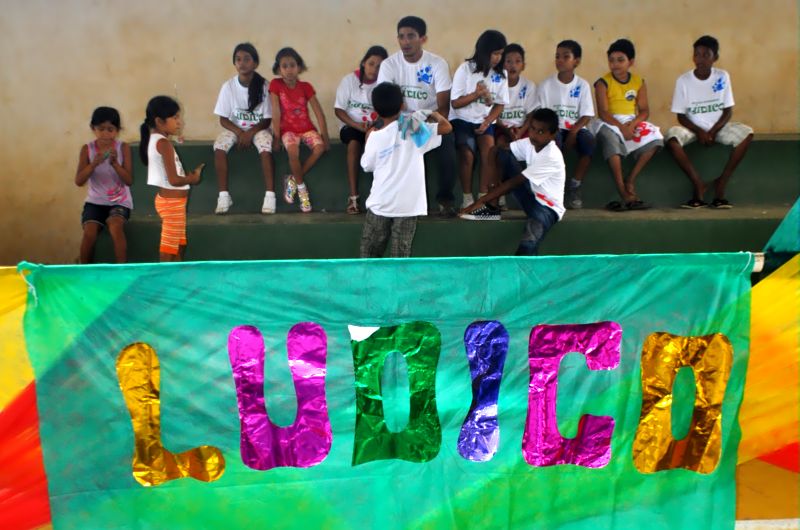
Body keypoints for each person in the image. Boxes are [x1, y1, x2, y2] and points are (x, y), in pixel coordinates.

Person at [359, 83, 452, 258]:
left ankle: (369, 277)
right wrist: (433, 114)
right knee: (400, 258)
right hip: (408, 206)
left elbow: (367, 165)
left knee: (369, 255)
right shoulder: (414, 130)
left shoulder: (374, 137)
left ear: (375, 109)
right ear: (402, 105)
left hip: (381, 203)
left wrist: (367, 139)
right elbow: (447, 127)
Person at [377, 15, 458, 217]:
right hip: (399, 121)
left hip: (430, 120)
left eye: (411, 36)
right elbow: (386, 103)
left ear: (423, 39)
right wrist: (407, 123)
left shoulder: (437, 64)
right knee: (381, 138)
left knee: (448, 143)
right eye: (401, 37)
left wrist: (425, 123)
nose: (405, 41)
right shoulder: (389, 65)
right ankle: (390, 200)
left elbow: (443, 106)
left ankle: (445, 199)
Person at [460, 108, 565, 256]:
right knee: (500, 153)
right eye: (532, 129)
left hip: (547, 208)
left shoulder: (551, 155)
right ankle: (492, 209)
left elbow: (514, 182)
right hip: (531, 197)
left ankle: (524, 266)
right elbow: (497, 150)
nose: (534, 134)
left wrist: (480, 201)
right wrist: (491, 193)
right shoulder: (529, 143)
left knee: (528, 244)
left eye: (541, 132)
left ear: (552, 135)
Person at [665, 35, 753, 209]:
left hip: (718, 127)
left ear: (715, 57)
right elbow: (681, 116)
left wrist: (713, 131)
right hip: (693, 129)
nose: (700, 59)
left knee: (747, 133)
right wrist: (699, 131)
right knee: (672, 138)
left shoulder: (722, 76)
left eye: (706, 55)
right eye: (697, 54)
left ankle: (721, 183)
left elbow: (728, 111)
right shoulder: (683, 81)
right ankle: (698, 184)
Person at [594, 38, 663, 211]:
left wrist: (632, 125)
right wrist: (621, 128)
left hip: (631, 121)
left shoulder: (639, 82)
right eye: (611, 60)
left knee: (656, 138)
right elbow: (603, 112)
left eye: (620, 60)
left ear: (631, 62)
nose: (615, 64)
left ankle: (630, 179)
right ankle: (622, 190)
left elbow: (644, 111)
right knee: (610, 139)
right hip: (609, 121)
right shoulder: (602, 83)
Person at [213, 43, 275, 215]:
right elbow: (223, 119)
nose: (242, 63)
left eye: (247, 59)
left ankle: (270, 196)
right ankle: (223, 196)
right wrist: (240, 132)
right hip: (235, 129)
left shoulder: (265, 86)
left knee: (265, 148)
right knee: (219, 148)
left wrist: (250, 133)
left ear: (255, 63)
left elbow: (267, 119)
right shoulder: (228, 87)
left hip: (258, 129)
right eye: (238, 59)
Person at [449, 30, 509, 209]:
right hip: (461, 119)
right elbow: (455, 103)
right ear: (484, 51)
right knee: (467, 154)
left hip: (484, 121)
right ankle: (467, 198)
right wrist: (476, 94)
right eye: (495, 53)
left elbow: (500, 105)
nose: (498, 58)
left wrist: (488, 121)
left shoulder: (501, 75)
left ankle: (483, 198)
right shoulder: (465, 69)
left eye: (500, 54)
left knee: (489, 153)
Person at [140, 96, 204, 262]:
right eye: (175, 117)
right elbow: (174, 180)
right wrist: (192, 178)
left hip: (174, 203)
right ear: (159, 121)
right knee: (168, 249)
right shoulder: (163, 144)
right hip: (172, 205)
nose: (179, 122)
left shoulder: (157, 141)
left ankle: (177, 274)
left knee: (178, 245)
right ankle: (165, 276)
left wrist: (188, 178)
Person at [536, 40, 595, 209]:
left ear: (576, 61)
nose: (560, 60)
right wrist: (553, 131)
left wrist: (574, 132)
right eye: (557, 56)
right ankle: (553, 189)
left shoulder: (582, 85)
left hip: (575, 128)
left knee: (589, 141)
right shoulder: (546, 85)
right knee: (554, 143)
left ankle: (575, 185)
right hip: (553, 128)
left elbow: (586, 114)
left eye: (565, 56)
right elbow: (542, 115)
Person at [269, 47, 329, 213]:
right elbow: (276, 111)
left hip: (306, 128)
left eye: (292, 65)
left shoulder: (306, 87)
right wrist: (276, 137)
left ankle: (293, 180)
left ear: (299, 67)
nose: (289, 70)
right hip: (288, 130)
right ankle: (302, 191)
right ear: (278, 69)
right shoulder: (276, 85)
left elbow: (318, 112)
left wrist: (324, 136)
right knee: (292, 151)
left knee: (319, 148)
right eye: (284, 66)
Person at [74, 106, 133, 264]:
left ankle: (121, 270)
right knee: (89, 232)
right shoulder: (87, 149)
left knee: (115, 226)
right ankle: (84, 270)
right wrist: (93, 164)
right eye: (101, 129)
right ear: (93, 128)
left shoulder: (123, 148)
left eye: (110, 129)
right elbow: (79, 181)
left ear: (117, 130)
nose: (106, 134)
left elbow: (129, 180)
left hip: (119, 201)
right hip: (95, 201)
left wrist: (115, 164)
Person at [334, 45, 388, 214]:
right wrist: (357, 125)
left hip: (376, 126)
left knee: (381, 146)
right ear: (364, 63)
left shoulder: (384, 84)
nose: (374, 69)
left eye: (379, 66)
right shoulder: (349, 80)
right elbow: (339, 110)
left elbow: (387, 110)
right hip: (351, 126)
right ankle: (354, 197)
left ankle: (380, 196)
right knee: (353, 144)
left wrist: (375, 125)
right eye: (371, 64)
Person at [495, 43, 537, 148]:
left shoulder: (529, 86)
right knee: (501, 143)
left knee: (529, 146)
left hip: (522, 128)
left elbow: (531, 115)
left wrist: (520, 132)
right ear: (502, 64)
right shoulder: (495, 84)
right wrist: (507, 130)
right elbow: (493, 115)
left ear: (523, 66)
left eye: (518, 61)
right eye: (508, 61)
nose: (513, 66)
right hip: (502, 128)